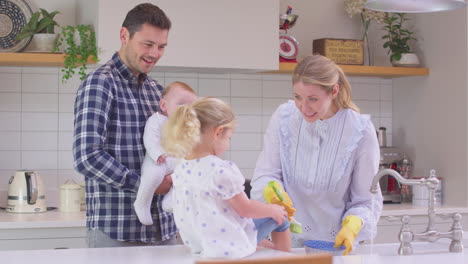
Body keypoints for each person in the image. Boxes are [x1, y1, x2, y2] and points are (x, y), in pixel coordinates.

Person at [250, 55, 383, 255]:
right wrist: (271, 189)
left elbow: (365, 200)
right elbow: (265, 174)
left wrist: (354, 223)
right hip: (285, 245)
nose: (304, 107)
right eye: (298, 97)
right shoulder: (284, 118)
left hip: (335, 248)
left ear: (334, 91)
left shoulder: (360, 130)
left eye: (313, 99)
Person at [73, 3, 177, 247]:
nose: (155, 53)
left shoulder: (157, 92)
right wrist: (144, 184)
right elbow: (87, 156)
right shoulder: (100, 84)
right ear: (124, 36)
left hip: (165, 228)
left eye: (161, 46)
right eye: (147, 44)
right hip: (118, 230)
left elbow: (173, 146)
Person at [161, 97, 291, 259]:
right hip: (228, 245)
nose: (228, 142)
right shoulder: (220, 170)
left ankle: (259, 244)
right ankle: (286, 259)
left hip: (200, 244)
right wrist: (273, 209)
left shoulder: (181, 167)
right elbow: (246, 209)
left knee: (261, 221)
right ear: (218, 132)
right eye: (229, 137)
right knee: (281, 216)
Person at [134, 81, 197, 225]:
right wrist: (157, 154)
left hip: (176, 163)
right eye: (181, 105)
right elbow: (150, 139)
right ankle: (142, 203)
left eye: (191, 107)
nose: (185, 110)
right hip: (158, 161)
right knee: (152, 176)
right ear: (164, 106)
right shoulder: (156, 120)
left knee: (185, 178)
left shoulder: (188, 127)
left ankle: (171, 201)